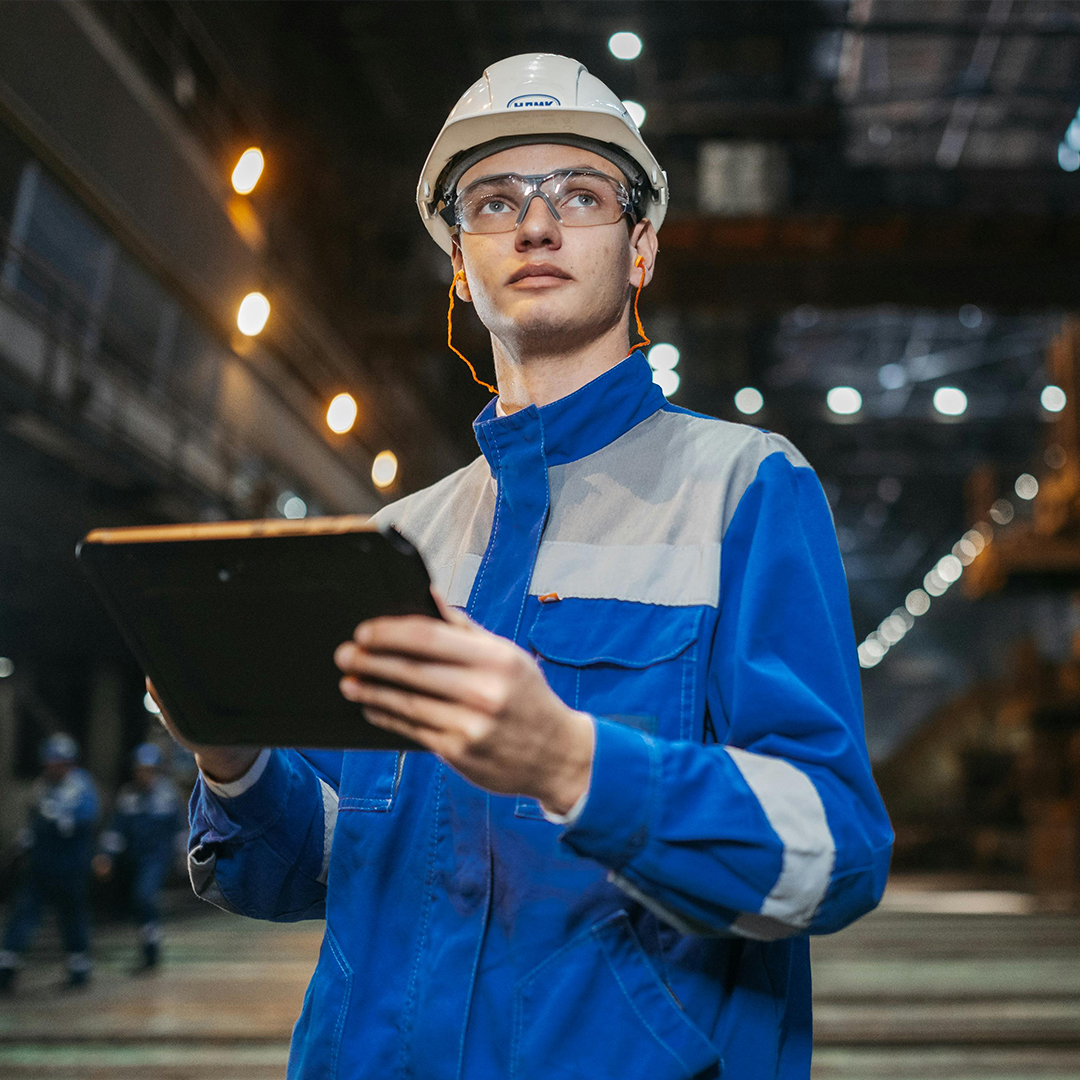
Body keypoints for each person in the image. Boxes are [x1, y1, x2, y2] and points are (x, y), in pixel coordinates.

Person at [158, 53, 893, 1079]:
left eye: (579, 196)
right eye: (494, 200)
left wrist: (574, 764)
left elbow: (836, 853)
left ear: (639, 248)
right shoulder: (395, 544)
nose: (535, 225)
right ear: (461, 260)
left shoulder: (743, 490)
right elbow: (325, 867)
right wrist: (230, 759)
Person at [0, 733, 99, 991]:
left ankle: (78, 968)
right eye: (50, 763)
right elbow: (34, 821)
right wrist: (24, 841)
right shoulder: (42, 785)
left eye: (58, 763)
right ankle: (7, 967)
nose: (53, 768)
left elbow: (84, 819)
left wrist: (56, 817)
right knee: (23, 914)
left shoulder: (81, 786)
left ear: (69, 764)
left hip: (70, 866)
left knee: (72, 917)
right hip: (40, 866)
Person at [93, 742, 184, 972]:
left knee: (143, 896)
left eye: (149, 770)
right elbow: (116, 830)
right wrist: (106, 856)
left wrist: (186, 855)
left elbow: (180, 828)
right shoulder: (128, 796)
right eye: (140, 770)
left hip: (158, 859)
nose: (144, 775)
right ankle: (149, 943)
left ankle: (151, 949)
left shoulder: (168, 795)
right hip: (134, 860)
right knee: (135, 902)